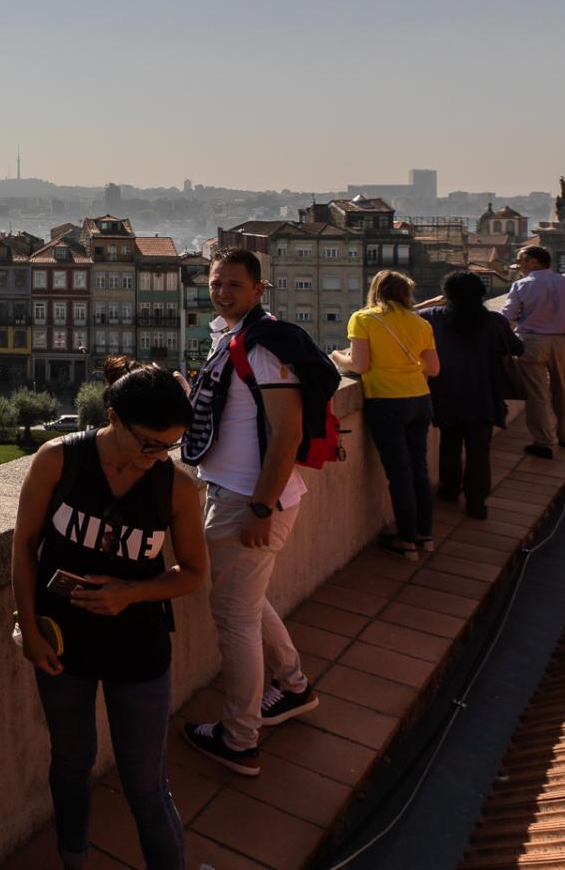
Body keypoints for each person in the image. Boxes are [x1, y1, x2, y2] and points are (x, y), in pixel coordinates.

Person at [12, 356, 206, 870]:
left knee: (145, 783)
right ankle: (73, 860)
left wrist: (131, 592)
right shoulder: (59, 460)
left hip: (138, 648)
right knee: (71, 764)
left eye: (169, 445)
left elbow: (192, 573)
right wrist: (28, 626)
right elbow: (25, 543)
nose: (158, 456)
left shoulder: (176, 485)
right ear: (113, 417)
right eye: (149, 443)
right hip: (62, 641)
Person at [177, 249, 321, 777]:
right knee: (247, 601)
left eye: (235, 285)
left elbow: (288, 432)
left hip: (250, 499)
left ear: (260, 289)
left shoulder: (262, 346)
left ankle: (239, 738)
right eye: (217, 284)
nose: (223, 292)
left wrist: (261, 505)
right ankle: (294, 685)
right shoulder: (233, 337)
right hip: (236, 493)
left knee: (233, 617)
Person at [333, 270, 439, 559]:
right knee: (418, 469)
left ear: (376, 290)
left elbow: (360, 364)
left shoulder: (364, 319)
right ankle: (424, 535)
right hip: (420, 399)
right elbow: (433, 369)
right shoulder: (420, 322)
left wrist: (336, 356)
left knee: (400, 473)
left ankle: (406, 541)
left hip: (387, 401)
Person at [419, 272, 524, 520]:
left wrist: (428, 303)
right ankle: (477, 502)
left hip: (447, 393)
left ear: (447, 294)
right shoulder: (494, 321)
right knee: (479, 450)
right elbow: (518, 348)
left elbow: (401, 316)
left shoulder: (432, 318)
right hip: (484, 394)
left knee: (450, 443)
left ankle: (449, 490)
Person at [503, 246, 565, 459]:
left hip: (532, 341)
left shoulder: (521, 285)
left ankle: (543, 441)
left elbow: (507, 316)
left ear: (533, 262)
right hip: (564, 342)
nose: (518, 265)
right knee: (564, 389)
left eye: (521, 261)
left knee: (536, 393)